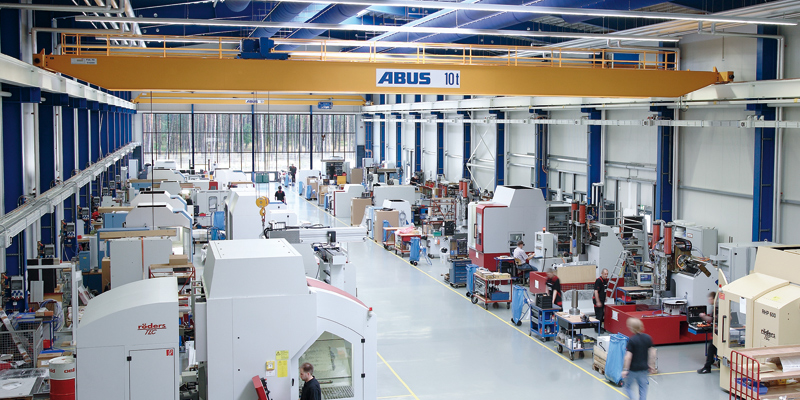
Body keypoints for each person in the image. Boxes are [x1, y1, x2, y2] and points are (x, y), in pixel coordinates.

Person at [622, 318, 656, 400]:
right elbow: (652, 353)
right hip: (644, 369)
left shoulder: (632, 340)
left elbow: (628, 357)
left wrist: (625, 369)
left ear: (631, 328)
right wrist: (651, 365)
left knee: (627, 387)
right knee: (643, 388)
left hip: (633, 369)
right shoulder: (648, 338)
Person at [698, 291, 718, 374]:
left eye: (710, 299)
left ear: (714, 299)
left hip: (718, 333)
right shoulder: (715, 307)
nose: (709, 300)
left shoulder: (717, 308)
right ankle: (714, 362)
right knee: (714, 349)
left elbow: (714, 319)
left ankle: (707, 367)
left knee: (711, 349)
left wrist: (704, 316)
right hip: (716, 332)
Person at [593, 268, 610, 333]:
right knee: (599, 315)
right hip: (598, 300)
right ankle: (597, 328)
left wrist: (606, 296)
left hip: (602, 300)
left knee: (602, 314)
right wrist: (598, 301)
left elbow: (605, 289)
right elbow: (596, 291)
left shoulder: (605, 281)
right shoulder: (598, 281)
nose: (606, 275)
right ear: (602, 273)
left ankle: (599, 327)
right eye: (605, 274)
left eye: (607, 274)